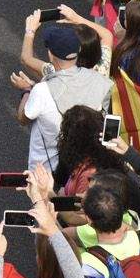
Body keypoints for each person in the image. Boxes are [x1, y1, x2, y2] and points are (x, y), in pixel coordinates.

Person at [13, 16, 114, 170]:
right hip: (86, 168)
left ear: (51, 55)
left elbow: (22, 118)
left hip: (48, 172)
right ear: (78, 50)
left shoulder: (42, 89)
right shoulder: (101, 80)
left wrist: (27, 90)